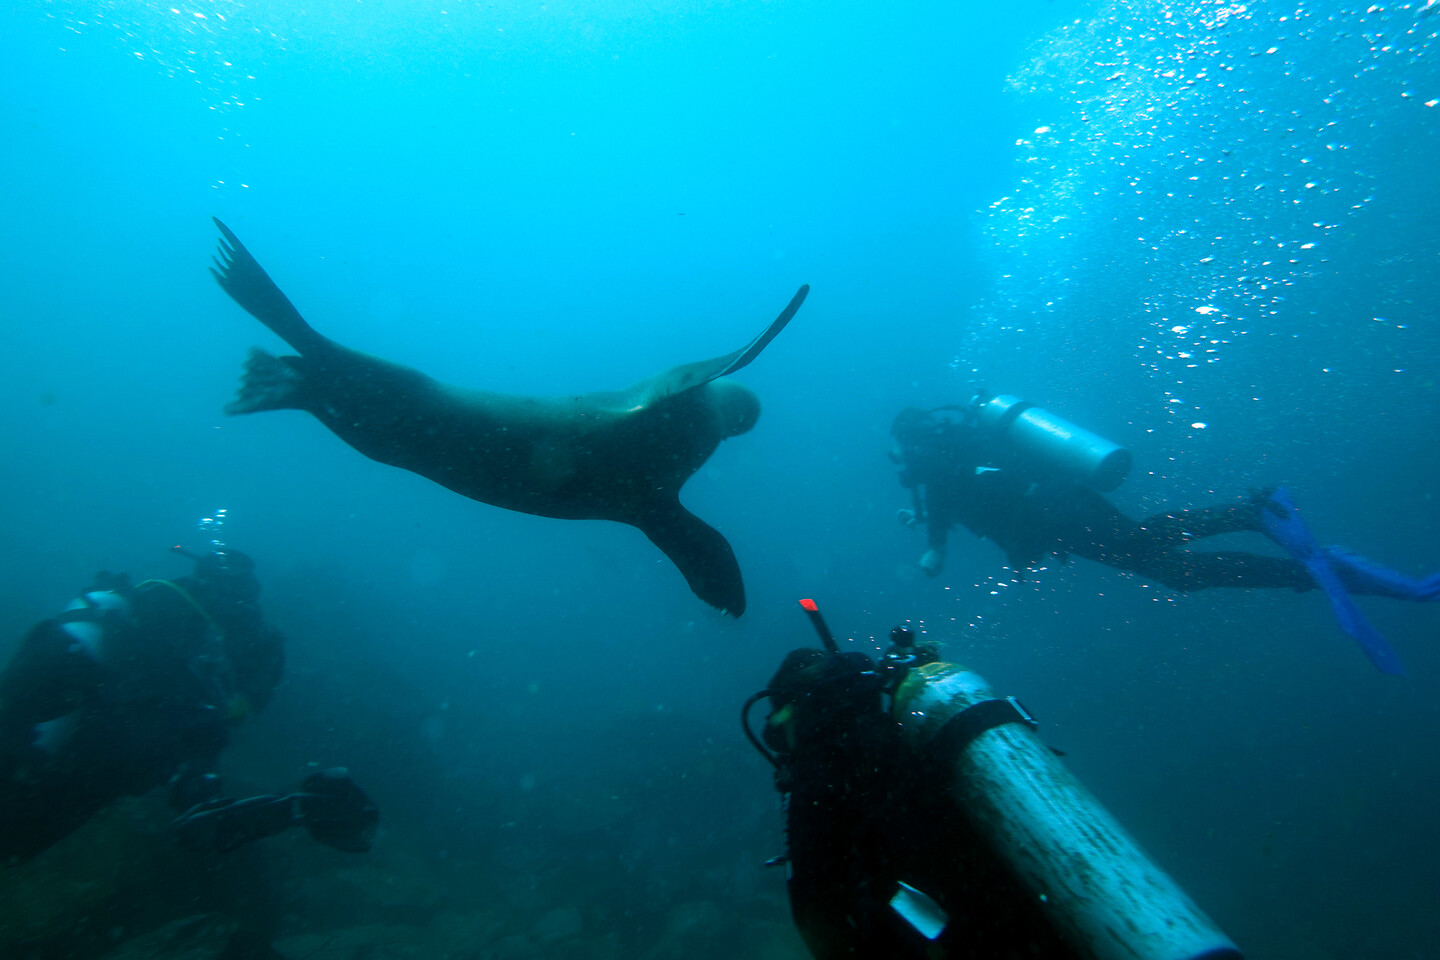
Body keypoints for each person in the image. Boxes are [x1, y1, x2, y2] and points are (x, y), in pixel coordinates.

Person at [0, 547, 377, 863]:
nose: (239, 716)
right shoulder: (194, 702)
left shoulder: (146, 611)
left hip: (40, 699)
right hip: (51, 768)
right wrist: (302, 808)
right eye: (244, 705)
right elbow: (202, 822)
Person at [889, 399, 1438, 598]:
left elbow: (956, 495)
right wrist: (925, 516)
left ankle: (1253, 515)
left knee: (1156, 551)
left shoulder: (933, 459)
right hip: (1061, 510)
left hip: (1058, 512)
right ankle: (1297, 567)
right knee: (1173, 568)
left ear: (911, 439)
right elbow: (970, 492)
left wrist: (933, 545)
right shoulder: (956, 449)